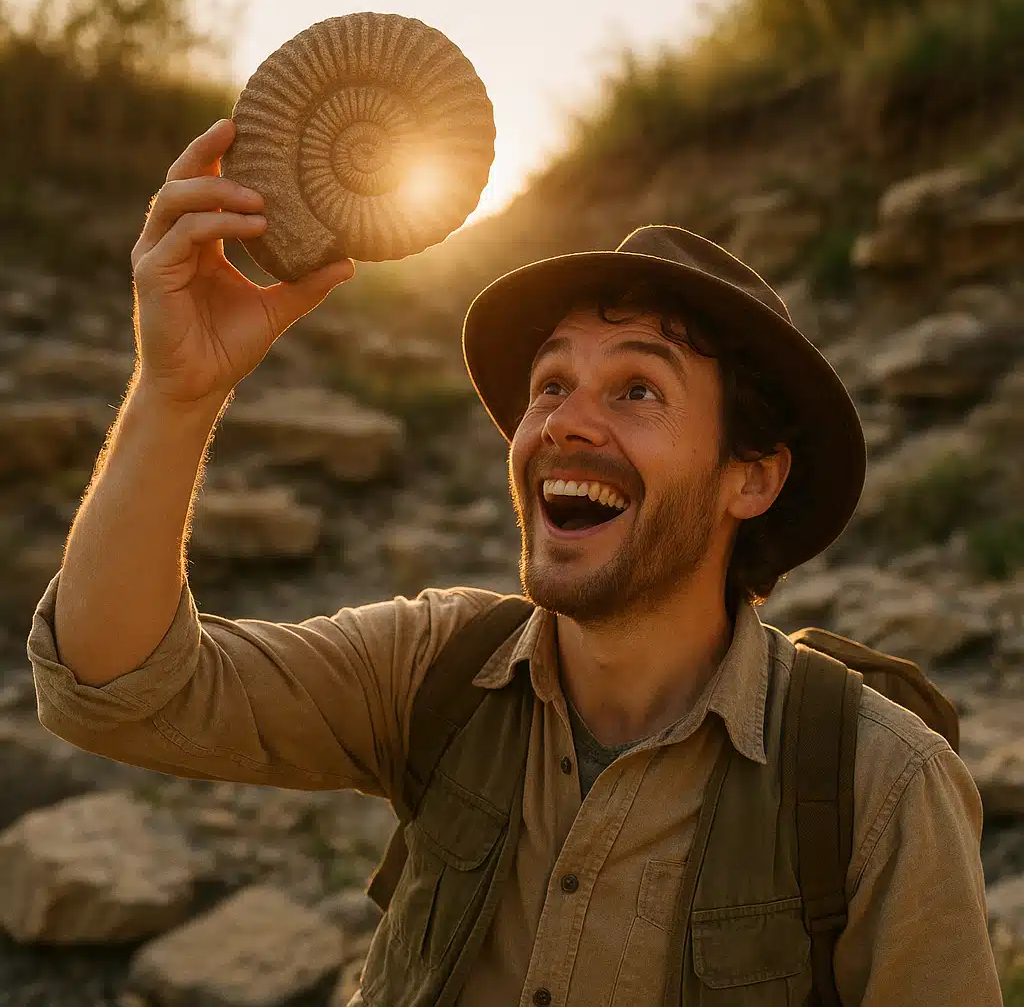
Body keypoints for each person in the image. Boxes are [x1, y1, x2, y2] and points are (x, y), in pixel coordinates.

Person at [27, 119, 1002, 1005]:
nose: (564, 420)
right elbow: (116, 685)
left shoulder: (878, 783)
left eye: (636, 390)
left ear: (750, 478)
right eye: (550, 381)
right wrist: (176, 390)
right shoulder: (435, 669)